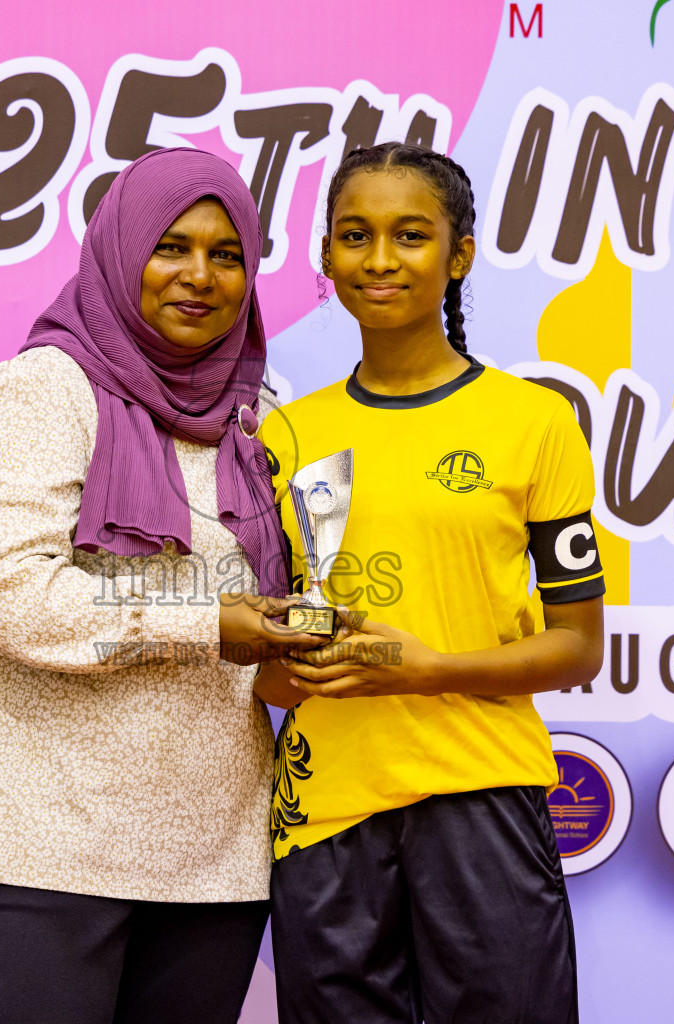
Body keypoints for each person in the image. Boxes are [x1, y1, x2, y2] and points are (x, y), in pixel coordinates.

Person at [0, 147, 319, 1024]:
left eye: (228, 255)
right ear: (119, 251)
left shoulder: (253, 417)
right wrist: (205, 623)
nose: (200, 276)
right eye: (171, 246)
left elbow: (254, 626)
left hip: (215, 856)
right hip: (46, 846)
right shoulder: (44, 391)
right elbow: (5, 591)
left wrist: (303, 644)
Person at [254, 142, 606, 1024]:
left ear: (459, 255)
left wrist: (425, 670)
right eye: (354, 236)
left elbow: (576, 648)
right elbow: (266, 660)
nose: (379, 260)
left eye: (410, 236)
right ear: (326, 256)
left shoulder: (533, 421)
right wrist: (281, 663)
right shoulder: (287, 436)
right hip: (326, 805)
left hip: (480, 790)